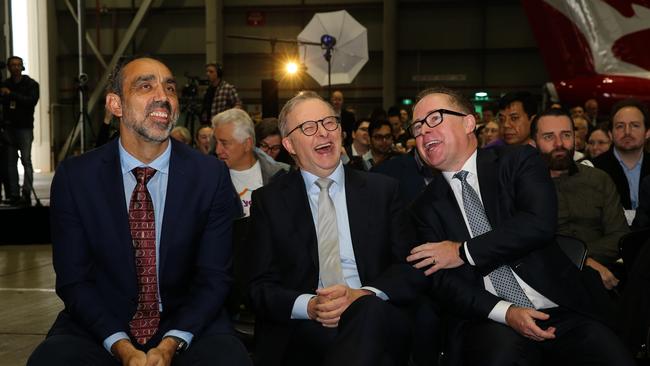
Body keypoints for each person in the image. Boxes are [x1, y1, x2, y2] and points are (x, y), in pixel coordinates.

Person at [28, 57, 251, 366]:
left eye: (170, 87)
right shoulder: (76, 177)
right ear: (115, 104)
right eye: (146, 86)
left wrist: (171, 343)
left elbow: (215, 278)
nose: (163, 96)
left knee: (230, 360)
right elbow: (73, 280)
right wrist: (120, 345)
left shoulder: (210, 175)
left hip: (188, 323)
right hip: (99, 325)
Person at [406, 87, 633, 366]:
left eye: (434, 118)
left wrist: (463, 252)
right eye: (416, 127)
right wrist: (507, 312)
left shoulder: (516, 162)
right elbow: (442, 282)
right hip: (490, 319)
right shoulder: (422, 208)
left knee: (611, 356)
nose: (423, 132)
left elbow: (538, 224)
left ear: (468, 122)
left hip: (559, 306)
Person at [247, 91, 423, 366]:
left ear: (340, 131)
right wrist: (311, 306)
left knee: (368, 314)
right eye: (308, 127)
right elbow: (258, 288)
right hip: (306, 325)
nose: (323, 133)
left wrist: (363, 295)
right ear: (289, 145)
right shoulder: (269, 201)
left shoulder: (382, 190)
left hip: (377, 312)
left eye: (329, 123)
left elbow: (409, 268)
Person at [531, 108, 629, 290]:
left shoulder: (599, 179)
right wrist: (582, 260)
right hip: (547, 279)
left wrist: (583, 258)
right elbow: (527, 242)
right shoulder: (523, 186)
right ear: (534, 142)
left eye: (566, 135)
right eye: (548, 137)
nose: (559, 143)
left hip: (604, 276)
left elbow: (619, 235)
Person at [213, 108, 289, 216]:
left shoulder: (282, 175)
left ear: (247, 144)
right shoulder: (209, 179)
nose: (217, 150)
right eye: (216, 142)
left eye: (224, 143)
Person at [593, 98, 650, 211]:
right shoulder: (593, 169)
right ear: (610, 134)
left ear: (647, 132)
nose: (627, 132)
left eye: (635, 125)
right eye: (620, 126)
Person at [0, 56, 39, 206]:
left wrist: (11, 95)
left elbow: (31, 101)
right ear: (9, 68)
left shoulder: (31, 84)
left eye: (18, 65)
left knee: (26, 161)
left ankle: (26, 193)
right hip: (9, 128)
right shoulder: (5, 84)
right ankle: (15, 195)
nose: (15, 68)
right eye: (12, 65)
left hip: (25, 128)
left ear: (22, 67)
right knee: (11, 162)